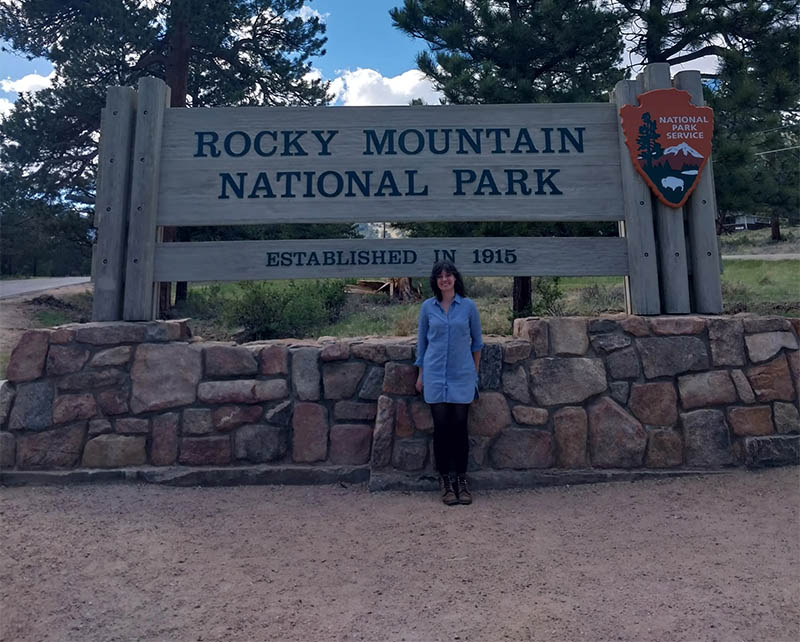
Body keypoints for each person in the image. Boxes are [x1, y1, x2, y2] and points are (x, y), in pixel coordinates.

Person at [414, 260, 483, 506]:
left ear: (455, 278)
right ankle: (445, 482)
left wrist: (473, 374)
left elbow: (477, 344)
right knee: (441, 430)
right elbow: (422, 344)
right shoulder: (427, 308)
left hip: (461, 376)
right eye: (440, 276)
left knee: (460, 429)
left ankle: (461, 481)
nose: (445, 279)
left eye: (449, 275)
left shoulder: (468, 307)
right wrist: (421, 375)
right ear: (435, 281)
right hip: (434, 376)